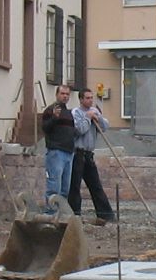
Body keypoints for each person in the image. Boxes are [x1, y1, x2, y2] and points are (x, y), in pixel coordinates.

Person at [67, 88, 115, 220]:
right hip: (78, 154)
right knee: (74, 186)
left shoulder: (94, 111)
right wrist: (87, 118)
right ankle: (75, 214)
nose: (90, 100)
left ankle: (105, 214)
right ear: (81, 99)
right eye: (87, 98)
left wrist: (98, 116)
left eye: (91, 98)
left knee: (96, 185)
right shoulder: (75, 113)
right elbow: (79, 130)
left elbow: (105, 128)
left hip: (89, 154)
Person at [40, 84, 76, 208]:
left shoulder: (69, 113)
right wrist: (54, 118)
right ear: (57, 95)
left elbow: (72, 131)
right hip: (56, 151)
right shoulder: (50, 110)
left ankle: (61, 213)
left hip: (68, 152)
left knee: (65, 188)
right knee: (54, 185)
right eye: (62, 94)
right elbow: (45, 128)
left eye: (67, 94)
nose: (65, 96)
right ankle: (51, 213)